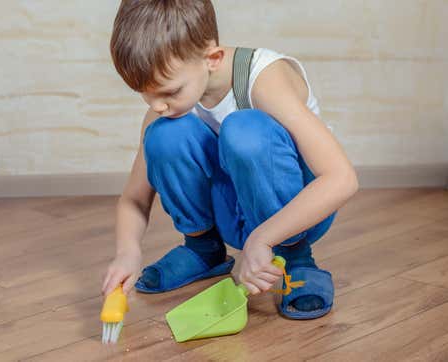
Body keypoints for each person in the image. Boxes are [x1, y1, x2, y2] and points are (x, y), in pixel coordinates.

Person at [101, 0, 358, 319]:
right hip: (235, 216)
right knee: (164, 135)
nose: (157, 106)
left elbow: (342, 179)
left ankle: (295, 258)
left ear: (213, 58)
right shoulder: (170, 104)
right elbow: (134, 200)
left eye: (168, 92)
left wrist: (265, 238)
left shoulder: (264, 79)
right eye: (145, 93)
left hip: (297, 216)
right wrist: (127, 252)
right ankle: (203, 249)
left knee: (244, 130)